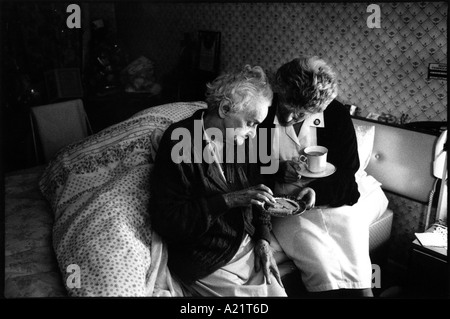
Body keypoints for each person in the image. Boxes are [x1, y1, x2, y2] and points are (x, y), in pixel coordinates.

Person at [150, 65, 287, 297]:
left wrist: (263, 238)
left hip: (244, 243)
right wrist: (228, 200)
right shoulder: (178, 142)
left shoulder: (243, 143)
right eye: (251, 123)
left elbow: (260, 190)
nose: (254, 133)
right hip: (204, 256)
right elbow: (169, 221)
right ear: (225, 108)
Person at [257, 55, 377, 297]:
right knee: (322, 269)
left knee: (360, 273)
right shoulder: (263, 112)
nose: (289, 119)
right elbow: (247, 167)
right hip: (286, 205)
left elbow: (347, 172)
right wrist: (277, 170)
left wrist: (316, 191)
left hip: (332, 200)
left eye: (300, 115)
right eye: (287, 109)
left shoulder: (335, 115)